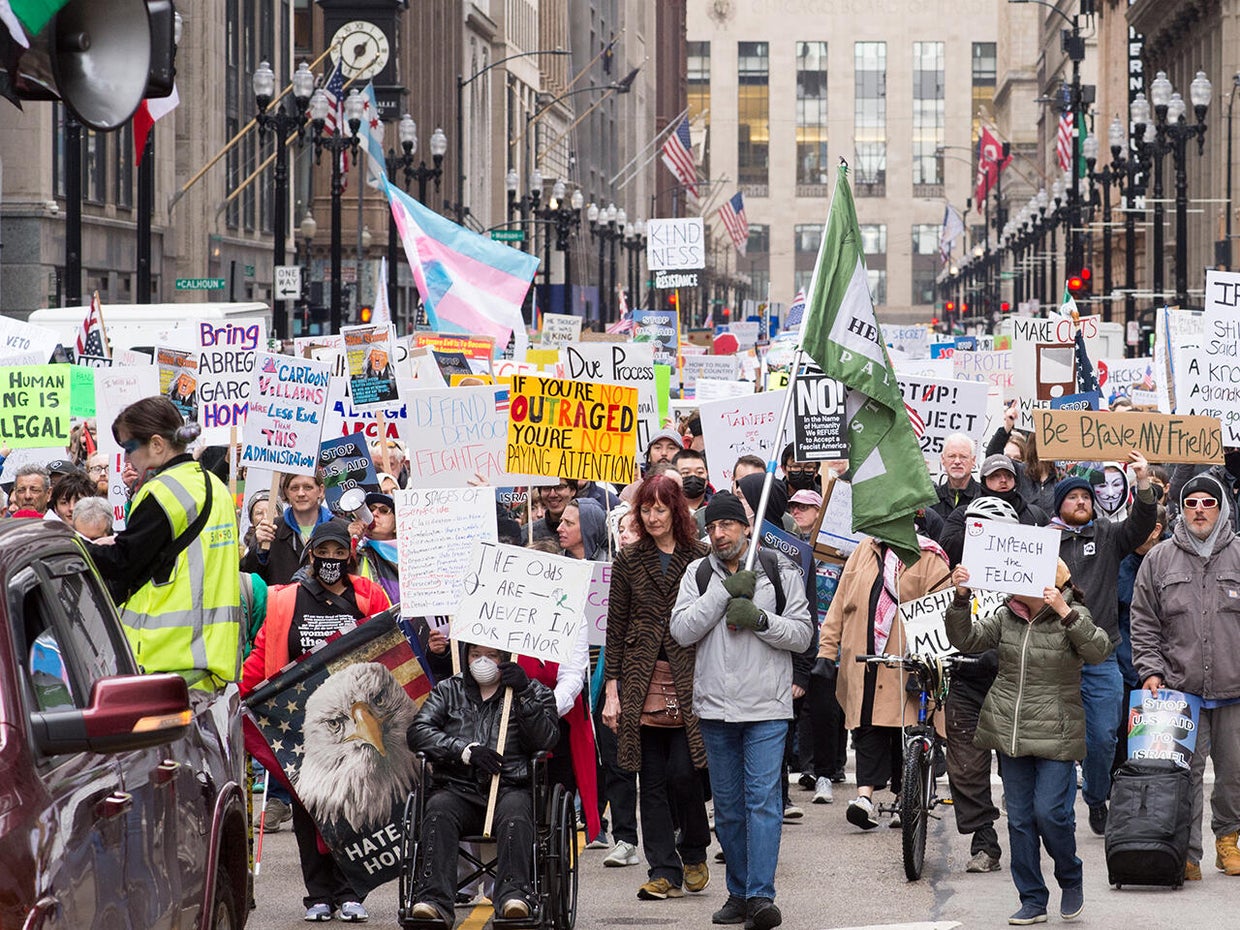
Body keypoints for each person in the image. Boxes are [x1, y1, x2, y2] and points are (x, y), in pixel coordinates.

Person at [669, 491, 813, 930]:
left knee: (763, 802)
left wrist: (760, 619)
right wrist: (721, 596)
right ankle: (738, 892)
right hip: (715, 709)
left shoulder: (779, 568)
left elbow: (804, 635)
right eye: (712, 527)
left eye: (727, 525)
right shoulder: (696, 573)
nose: (718, 534)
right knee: (729, 808)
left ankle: (761, 896)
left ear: (746, 526)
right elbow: (680, 630)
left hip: (767, 707)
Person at [241, 520, 391, 922]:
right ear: (310, 555)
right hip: (300, 724)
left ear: (350, 556)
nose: (330, 560)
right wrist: (240, 691)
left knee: (350, 807)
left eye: (338, 553)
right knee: (310, 810)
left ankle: (349, 891)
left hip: (355, 724)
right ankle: (318, 895)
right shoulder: (284, 599)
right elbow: (262, 653)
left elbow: (389, 646)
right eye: (322, 552)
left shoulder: (369, 597)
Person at [946, 560, 1111, 925]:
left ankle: (1070, 878)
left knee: (1050, 814)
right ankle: (1033, 899)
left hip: (1057, 732)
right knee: (1019, 820)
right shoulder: (1007, 616)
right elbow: (965, 640)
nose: (1008, 581)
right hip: (1011, 731)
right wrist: (960, 598)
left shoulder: (1072, 614)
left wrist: (1065, 611)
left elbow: (1099, 650)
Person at [602, 474, 712, 902]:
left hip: (689, 674)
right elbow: (616, 627)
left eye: (660, 509)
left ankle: (695, 850)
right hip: (640, 677)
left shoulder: (700, 557)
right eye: (645, 510)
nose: (651, 517)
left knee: (684, 772)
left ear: (676, 511)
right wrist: (612, 689)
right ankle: (662, 869)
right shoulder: (629, 560)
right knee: (649, 778)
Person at [84, 397, 240, 691]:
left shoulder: (162, 491)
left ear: (157, 444)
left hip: (165, 661)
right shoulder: (213, 485)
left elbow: (123, 562)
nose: (128, 460)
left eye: (130, 449)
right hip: (211, 660)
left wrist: (74, 543)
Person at [1130, 474, 1240, 880]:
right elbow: (1143, 621)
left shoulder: (1239, 555)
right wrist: (1150, 670)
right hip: (1179, 692)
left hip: (1234, 689)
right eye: (1191, 502)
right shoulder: (1159, 559)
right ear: (1181, 508)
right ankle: (1187, 851)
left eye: (1207, 503)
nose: (1199, 510)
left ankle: (1228, 841)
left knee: (1234, 773)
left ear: (1221, 508)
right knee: (1183, 775)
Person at [406, 644, 560, 926]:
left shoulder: (534, 691)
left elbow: (546, 741)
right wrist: (464, 750)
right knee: (438, 808)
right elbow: (418, 732)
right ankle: (432, 899)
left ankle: (516, 896)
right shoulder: (448, 690)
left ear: (506, 658)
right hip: (458, 787)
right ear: (465, 656)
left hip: (510, 787)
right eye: (476, 655)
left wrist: (524, 695)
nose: (483, 662)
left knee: (516, 813)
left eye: (492, 656)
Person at [1050, 454, 1156, 835]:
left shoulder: (1108, 536)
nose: (1081, 501)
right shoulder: (1044, 541)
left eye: (1086, 497)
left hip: (1102, 654)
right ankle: (1057, 809)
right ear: (1059, 504)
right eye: (1072, 497)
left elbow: (1143, 524)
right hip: (1056, 656)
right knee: (1058, 739)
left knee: (1104, 734)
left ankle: (1097, 796)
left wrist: (1143, 482)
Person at [819, 528, 951, 831]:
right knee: (867, 727)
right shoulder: (863, 550)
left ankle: (904, 798)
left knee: (904, 731)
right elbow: (840, 604)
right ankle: (864, 797)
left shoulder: (930, 556)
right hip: (865, 661)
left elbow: (942, 611)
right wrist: (827, 650)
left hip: (907, 664)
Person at [944, 497, 1019, 875]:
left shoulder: (1027, 576)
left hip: (1012, 682)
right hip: (965, 679)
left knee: (1019, 764)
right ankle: (985, 843)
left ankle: (1025, 836)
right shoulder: (952, 572)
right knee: (965, 767)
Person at [241, 472, 348, 585]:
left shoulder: (342, 529)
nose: (301, 493)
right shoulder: (270, 529)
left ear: (321, 490)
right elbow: (250, 580)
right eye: (294, 488)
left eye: (308, 487)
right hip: (282, 601)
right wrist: (259, 550)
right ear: (286, 492)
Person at [940, 454, 1049, 564]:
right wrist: (971, 530)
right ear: (984, 481)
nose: (1003, 480)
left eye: (1008, 475)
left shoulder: (1035, 514)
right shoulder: (963, 514)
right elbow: (945, 556)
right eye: (996, 475)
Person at [355, 491, 400, 604]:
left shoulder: (411, 552)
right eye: (371, 509)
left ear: (396, 526)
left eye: (384, 511)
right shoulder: (356, 549)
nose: (374, 514)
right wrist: (350, 540)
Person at [931, 432, 981, 520]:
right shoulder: (932, 500)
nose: (957, 461)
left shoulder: (983, 498)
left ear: (973, 461)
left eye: (963, 457)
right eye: (951, 456)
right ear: (943, 459)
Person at [673, 448, 712, 513]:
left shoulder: (718, 506)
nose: (693, 476)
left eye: (700, 472)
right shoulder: (667, 509)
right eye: (686, 472)